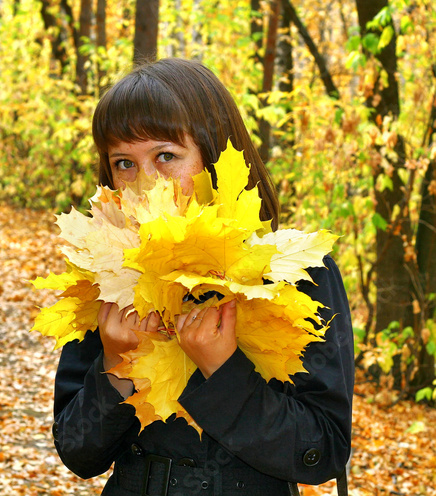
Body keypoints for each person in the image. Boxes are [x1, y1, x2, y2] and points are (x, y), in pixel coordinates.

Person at [52, 58, 354, 496]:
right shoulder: (108, 279)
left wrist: (223, 370)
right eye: (124, 163)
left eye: (166, 156)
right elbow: (79, 455)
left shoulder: (293, 272)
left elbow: (322, 450)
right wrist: (116, 366)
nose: (145, 183)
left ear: (213, 153)